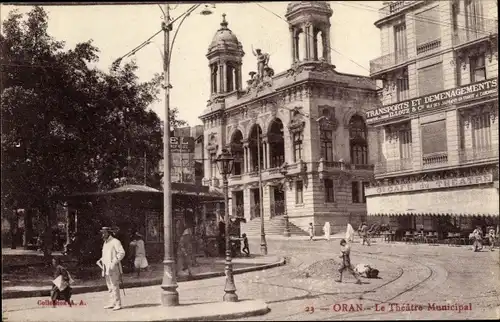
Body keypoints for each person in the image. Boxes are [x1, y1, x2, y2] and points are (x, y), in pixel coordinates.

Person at [96, 227, 125, 311]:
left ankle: (118, 304)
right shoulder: (105, 243)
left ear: (109, 233)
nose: (103, 235)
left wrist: (114, 262)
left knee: (114, 285)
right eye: (102, 233)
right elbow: (107, 255)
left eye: (104, 233)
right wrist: (101, 260)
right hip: (106, 267)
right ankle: (112, 302)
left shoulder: (115, 241)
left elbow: (122, 253)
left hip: (113, 267)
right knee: (109, 286)